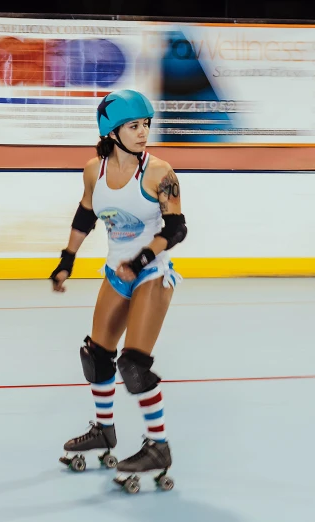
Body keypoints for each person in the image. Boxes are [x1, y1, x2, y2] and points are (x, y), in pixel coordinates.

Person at [51, 89, 187, 491]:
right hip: (115, 272)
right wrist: (67, 260)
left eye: (146, 124)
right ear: (112, 132)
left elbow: (177, 228)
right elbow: (86, 212)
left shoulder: (160, 173)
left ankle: (158, 446)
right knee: (96, 357)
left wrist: (143, 260)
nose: (144, 132)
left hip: (151, 274)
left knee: (133, 365)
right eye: (134, 126)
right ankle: (104, 431)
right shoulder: (95, 169)